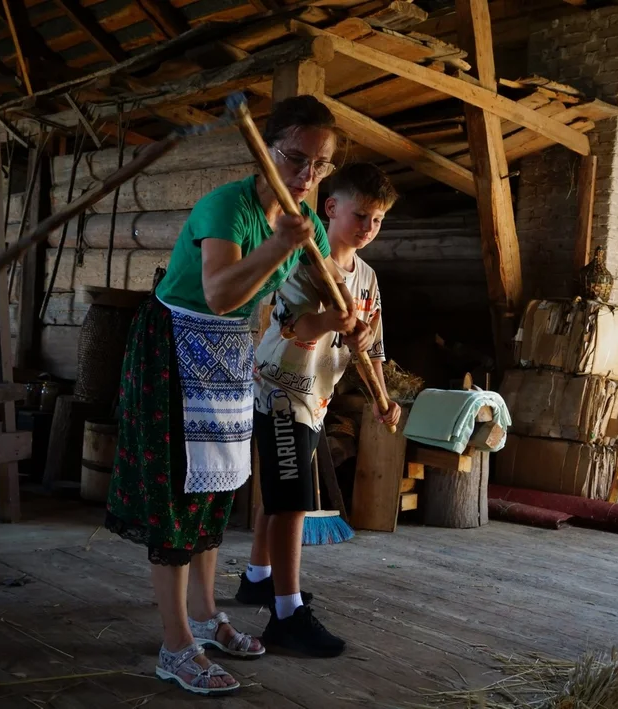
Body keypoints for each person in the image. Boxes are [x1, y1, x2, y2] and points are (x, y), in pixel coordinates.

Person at [104, 95, 354, 696]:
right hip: (174, 344)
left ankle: (205, 615)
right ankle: (175, 646)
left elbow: (305, 304)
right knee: (176, 495)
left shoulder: (308, 224)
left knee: (216, 489)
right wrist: (280, 243)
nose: (306, 175)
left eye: (319, 166)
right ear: (266, 150)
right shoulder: (228, 206)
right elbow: (218, 293)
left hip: (229, 352)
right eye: (296, 158)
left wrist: (344, 315)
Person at [238, 163, 403, 657]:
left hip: (318, 397)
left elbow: (370, 345)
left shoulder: (368, 277)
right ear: (331, 208)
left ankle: (257, 578)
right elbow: (291, 326)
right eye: (361, 215)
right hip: (281, 389)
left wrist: (382, 396)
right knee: (292, 501)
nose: (369, 227)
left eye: (378, 220)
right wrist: (330, 319)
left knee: (281, 489)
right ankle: (286, 615)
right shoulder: (306, 262)